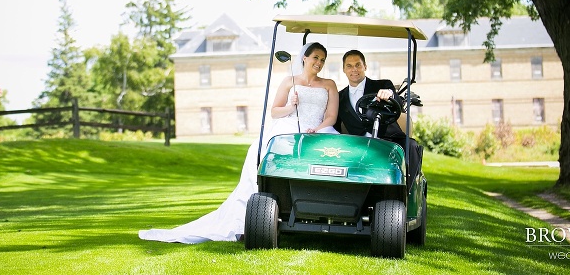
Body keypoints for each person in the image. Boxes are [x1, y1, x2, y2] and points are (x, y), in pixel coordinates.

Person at [138, 41, 339, 243]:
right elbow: (275, 111)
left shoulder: (329, 84)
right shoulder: (289, 81)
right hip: (289, 126)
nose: (319, 63)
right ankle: (254, 214)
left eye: (322, 60)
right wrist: (291, 106)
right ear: (304, 57)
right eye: (315, 58)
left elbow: (331, 115)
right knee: (258, 152)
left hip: (319, 129)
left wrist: (317, 129)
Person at [335, 49, 423, 189]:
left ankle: (407, 191)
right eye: (349, 66)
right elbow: (335, 125)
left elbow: (398, 104)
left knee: (411, 146)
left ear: (365, 66)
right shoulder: (339, 97)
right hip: (358, 145)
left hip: (387, 140)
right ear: (344, 69)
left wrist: (389, 95)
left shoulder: (382, 85)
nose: (354, 69)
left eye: (358, 65)